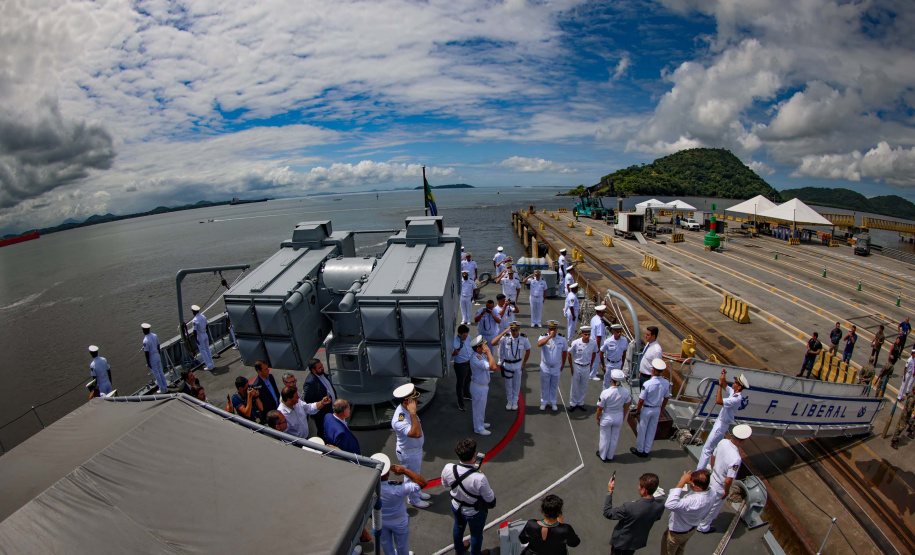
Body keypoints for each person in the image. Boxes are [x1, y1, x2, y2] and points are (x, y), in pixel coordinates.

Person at [442, 438, 496, 555]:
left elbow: (445, 484)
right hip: (474, 512)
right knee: (476, 534)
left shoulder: (448, 468)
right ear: (474, 455)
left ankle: (459, 550)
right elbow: (491, 500)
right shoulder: (479, 478)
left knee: (458, 527)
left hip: (456, 506)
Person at [698, 425, 752, 534]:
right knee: (713, 507)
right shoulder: (736, 459)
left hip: (712, 478)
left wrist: (714, 470)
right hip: (720, 486)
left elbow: (713, 456)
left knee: (706, 500)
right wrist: (726, 491)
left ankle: (697, 518)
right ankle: (703, 527)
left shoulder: (723, 442)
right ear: (742, 442)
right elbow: (728, 480)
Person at [371, 453, 428, 555]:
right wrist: (404, 471)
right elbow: (422, 483)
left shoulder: (369, 488)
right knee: (402, 546)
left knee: (385, 544)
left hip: (380, 520)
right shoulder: (398, 487)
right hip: (399, 520)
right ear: (388, 472)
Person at [697, 370, 749, 470]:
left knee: (707, 449)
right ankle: (711, 468)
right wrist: (723, 376)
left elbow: (718, 401)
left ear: (739, 387)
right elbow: (725, 386)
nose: (733, 383)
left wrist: (719, 385)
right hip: (720, 423)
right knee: (715, 448)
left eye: (735, 383)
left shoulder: (736, 398)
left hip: (721, 425)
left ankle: (698, 472)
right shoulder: (734, 393)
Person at [603, 473, 665, 554]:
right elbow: (657, 517)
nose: (638, 487)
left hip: (621, 543)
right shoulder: (660, 505)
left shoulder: (629, 507)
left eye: (639, 486)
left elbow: (607, 513)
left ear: (644, 490)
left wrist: (610, 491)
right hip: (636, 542)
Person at [391, 383, 432, 508]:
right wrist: (413, 414)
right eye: (414, 399)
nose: (417, 401)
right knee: (410, 476)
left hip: (414, 450)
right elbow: (416, 433)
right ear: (406, 402)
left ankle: (417, 492)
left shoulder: (407, 411)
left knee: (415, 473)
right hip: (409, 453)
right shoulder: (400, 419)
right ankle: (413, 499)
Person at [661, 469, 715, 555]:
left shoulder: (693, 501)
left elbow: (670, 504)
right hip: (691, 529)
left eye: (691, 484)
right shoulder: (712, 492)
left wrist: (682, 482)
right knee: (680, 550)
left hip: (677, 533)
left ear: (697, 488)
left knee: (667, 552)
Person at [630, 359, 670, 458]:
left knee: (642, 429)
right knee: (652, 430)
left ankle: (640, 450)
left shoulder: (647, 384)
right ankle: (647, 450)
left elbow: (641, 401)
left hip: (647, 409)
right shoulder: (666, 383)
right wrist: (661, 410)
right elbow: (666, 398)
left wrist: (638, 412)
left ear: (653, 370)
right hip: (657, 409)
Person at [493, 322, 531, 411]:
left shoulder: (523, 338)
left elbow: (528, 350)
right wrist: (503, 333)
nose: (514, 332)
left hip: (518, 364)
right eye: (512, 330)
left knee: (517, 384)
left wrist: (524, 363)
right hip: (508, 364)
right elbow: (493, 343)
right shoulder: (505, 337)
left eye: (516, 330)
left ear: (519, 329)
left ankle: (515, 401)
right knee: (508, 384)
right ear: (510, 329)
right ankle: (509, 401)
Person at [596, 369, 631, 461]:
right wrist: (623, 416)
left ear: (611, 379)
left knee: (604, 437)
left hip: (607, 416)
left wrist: (597, 418)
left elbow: (600, 408)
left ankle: (603, 455)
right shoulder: (625, 392)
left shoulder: (606, 393)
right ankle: (610, 456)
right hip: (619, 415)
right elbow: (627, 405)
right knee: (614, 437)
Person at [469, 335, 499, 435]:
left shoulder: (480, 355)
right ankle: (478, 428)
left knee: (481, 408)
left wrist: (487, 353)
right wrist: (489, 353)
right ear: (478, 348)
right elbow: (493, 367)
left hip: (482, 386)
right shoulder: (476, 359)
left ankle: (480, 423)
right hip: (479, 387)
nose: (485, 347)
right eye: (483, 346)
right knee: (478, 408)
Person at [303, 357, 337, 439]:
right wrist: (321, 403)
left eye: (322, 366)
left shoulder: (322, 374)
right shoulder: (310, 382)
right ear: (313, 370)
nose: (322, 368)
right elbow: (308, 399)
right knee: (322, 429)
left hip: (330, 408)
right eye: (320, 367)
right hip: (322, 413)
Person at [538, 320, 569, 411]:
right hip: (545, 366)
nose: (552, 330)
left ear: (557, 329)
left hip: (556, 366)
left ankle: (553, 402)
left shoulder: (562, 338)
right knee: (544, 385)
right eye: (550, 328)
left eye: (554, 329)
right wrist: (550, 336)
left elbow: (564, 351)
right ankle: (544, 402)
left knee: (554, 385)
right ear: (548, 329)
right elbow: (539, 344)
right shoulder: (543, 337)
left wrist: (563, 363)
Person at [568, 325, 597, 411]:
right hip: (577, 366)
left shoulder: (593, 343)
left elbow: (594, 352)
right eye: (585, 334)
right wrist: (571, 366)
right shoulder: (576, 343)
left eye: (589, 334)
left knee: (584, 386)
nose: (587, 336)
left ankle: (580, 402)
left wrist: (591, 364)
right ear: (581, 334)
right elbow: (569, 353)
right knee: (575, 386)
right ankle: (573, 403)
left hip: (587, 366)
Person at [890, 351, 915, 450]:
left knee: (908, 385)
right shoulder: (909, 360)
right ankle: (894, 440)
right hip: (906, 414)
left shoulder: (911, 397)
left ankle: (909, 428)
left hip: (907, 413)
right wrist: (904, 375)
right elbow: (905, 368)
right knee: (901, 427)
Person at [141, 323, 168, 393]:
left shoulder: (145, 340)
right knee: (161, 372)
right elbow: (158, 345)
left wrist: (148, 362)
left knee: (157, 374)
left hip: (152, 357)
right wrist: (158, 354)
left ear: (144, 331)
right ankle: (165, 386)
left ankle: (162, 389)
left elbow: (146, 352)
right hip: (157, 354)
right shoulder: (155, 335)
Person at [453, 324, 474, 411]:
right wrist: (455, 353)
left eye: (467, 334)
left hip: (469, 363)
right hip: (460, 365)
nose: (466, 337)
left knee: (468, 379)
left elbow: (471, 345)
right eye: (464, 335)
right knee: (460, 383)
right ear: (460, 334)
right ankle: (460, 402)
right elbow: (451, 356)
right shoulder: (454, 342)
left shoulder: (468, 337)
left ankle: (466, 394)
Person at [602, 324, 629, 390]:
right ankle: (604, 397)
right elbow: (601, 352)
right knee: (606, 383)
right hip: (609, 364)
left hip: (618, 364)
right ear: (613, 332)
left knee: (617, 383)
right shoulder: (608, 341)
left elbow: (624, 352)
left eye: (620, 332)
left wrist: (622, 364)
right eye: (617, 332)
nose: (619, 333)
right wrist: (603, 366)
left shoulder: (624, 340)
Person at [188, 304, 214, 370]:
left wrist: (196, 339)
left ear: (193, 312)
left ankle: (209, 365)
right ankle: (211, 363)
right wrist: (206, 333)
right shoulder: (203, 317)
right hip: (205, 334)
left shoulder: (194, 320)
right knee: (207, 349)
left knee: (203, 351)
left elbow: (194, 331)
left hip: (200, 336)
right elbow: (207, 325)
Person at [589, 305, 607, 380]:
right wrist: (598, 348)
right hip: (597, 342)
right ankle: (592, 375)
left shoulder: (594, 318)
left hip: (592, 340)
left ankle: (591, 372)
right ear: (601, 313)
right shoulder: (600, 322)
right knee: (596, 359)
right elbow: (599, 336)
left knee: (592, 358)